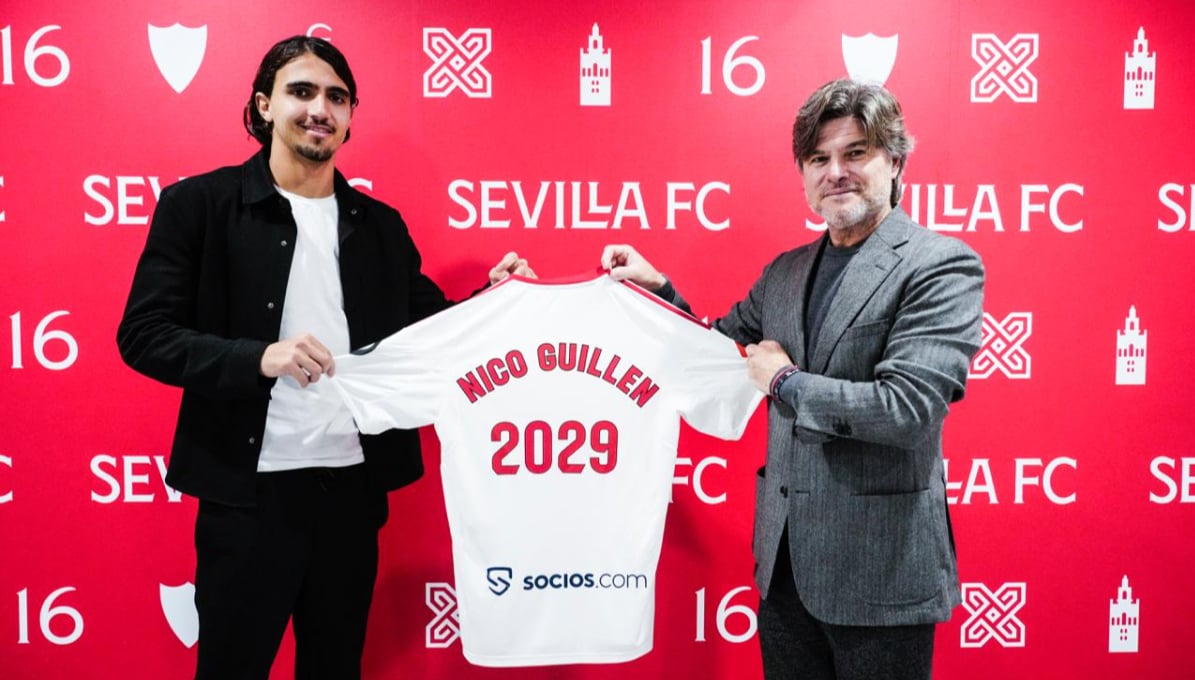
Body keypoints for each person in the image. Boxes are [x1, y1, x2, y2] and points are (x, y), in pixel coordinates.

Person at [116, 35, 531, 680]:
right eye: (302, 92)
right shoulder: (199, 206)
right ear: (264, 105)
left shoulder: (380, 225)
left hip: (349, 494)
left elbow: (430, 329)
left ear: (350, 114)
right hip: (247, 497)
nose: (320, 109)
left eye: (337, 97)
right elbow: (144, 334)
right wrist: (259, 357)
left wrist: (493, 301)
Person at [601, 78, 984, 679]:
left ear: (894, 161)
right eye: (818, 159)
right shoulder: (785, 272)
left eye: (855, 153)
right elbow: (720, 352)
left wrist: (786, 384)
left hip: (881, 576)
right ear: (803, 175)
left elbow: (908, 409)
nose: (836, 172)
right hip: (784, 570)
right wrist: (661, 291)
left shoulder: (939, 264)